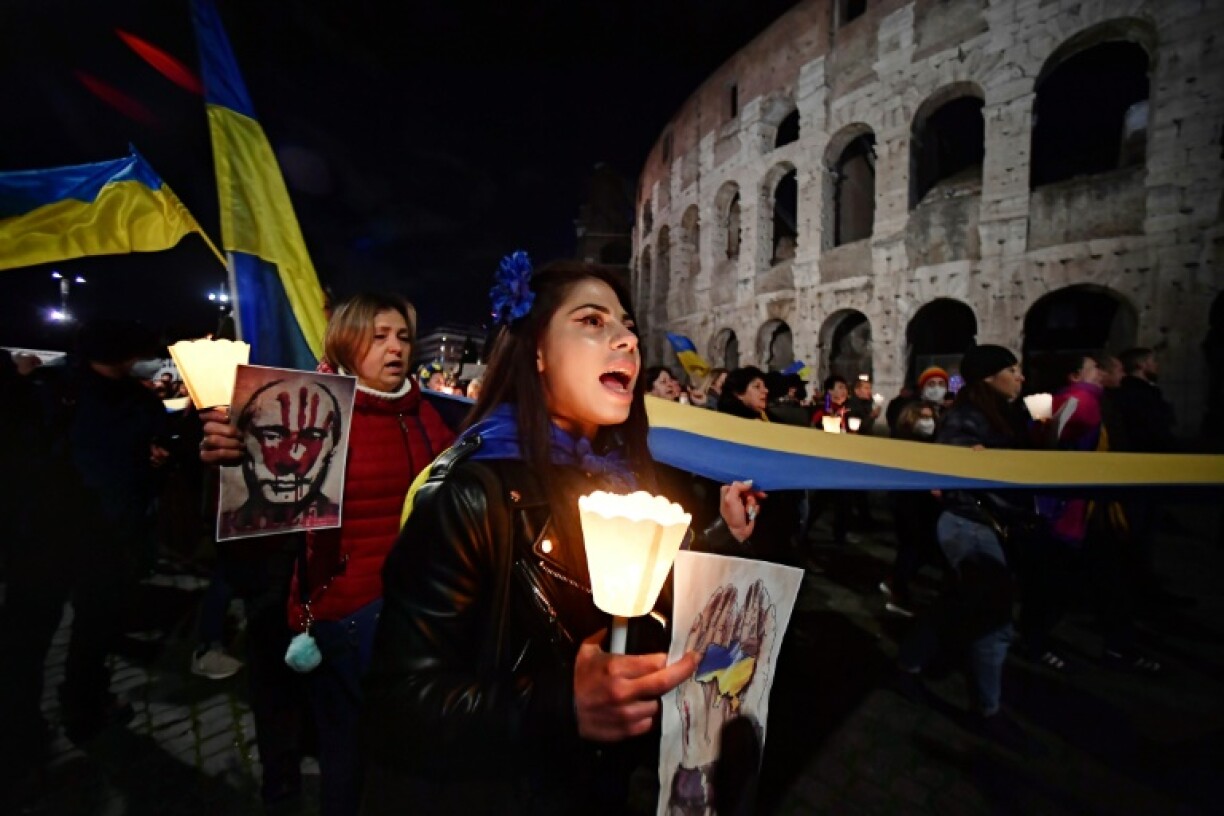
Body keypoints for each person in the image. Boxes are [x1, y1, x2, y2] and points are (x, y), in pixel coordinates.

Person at [360, 259, 759, 813]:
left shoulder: (628, 479)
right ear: (538, 353)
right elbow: (397, 705)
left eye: (628, 327)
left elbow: (653, 599)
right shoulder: (474, 493)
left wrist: (720, 535)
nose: (626, 341)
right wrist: (558, 706)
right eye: (593, 322)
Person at [203, 293, 455, 816]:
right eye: (378, 336)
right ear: (345, 340)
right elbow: (262, 519)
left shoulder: (428, 413)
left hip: (420, 615)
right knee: (349, 754)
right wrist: (231, 461)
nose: (395, 349)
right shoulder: (305, 411)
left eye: (403, 337)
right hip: (346, 614)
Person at [897, 344, 1041, 742]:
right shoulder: (964, 418)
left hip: (995, 524)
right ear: (989, 377)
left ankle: (910, 662)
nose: (1021, 377)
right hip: (971, 524)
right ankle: (988, 710)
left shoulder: (1008, 414)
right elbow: (955, 471)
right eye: (1013, 370)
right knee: (995, 618)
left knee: (958, 604)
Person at [880, 401, 944, 617]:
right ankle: (898, 592)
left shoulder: (936, 442)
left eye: (930, 417)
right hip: (907, 502)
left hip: (924, 503)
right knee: (914, 545)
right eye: (922, 417)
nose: (927, 422)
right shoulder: (903, 441)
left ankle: (896, 583)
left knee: (917, 547)